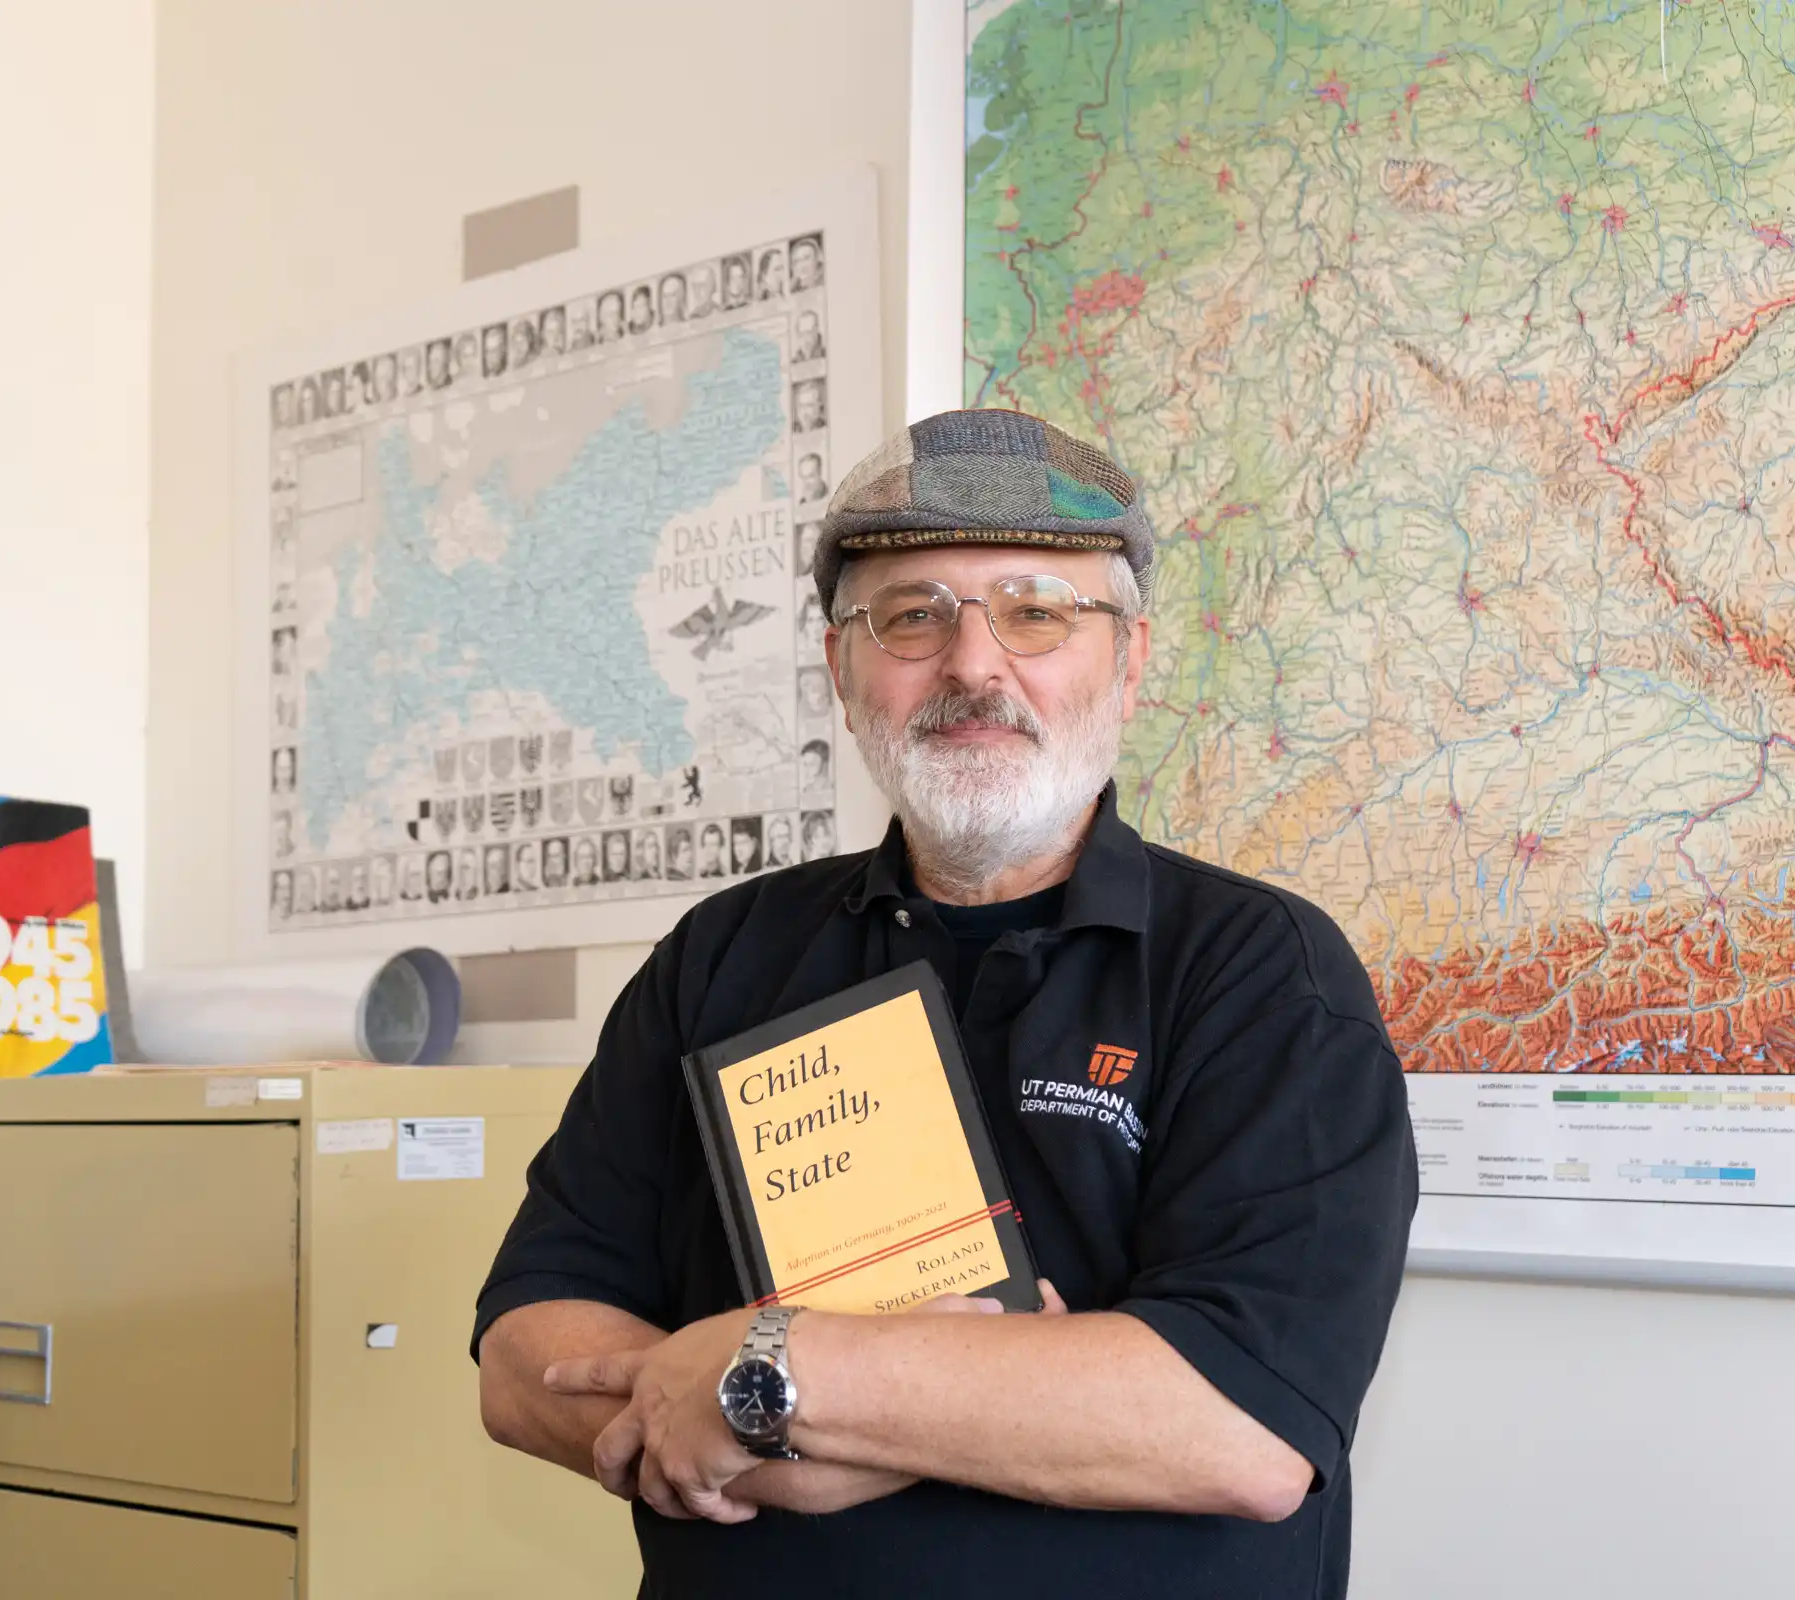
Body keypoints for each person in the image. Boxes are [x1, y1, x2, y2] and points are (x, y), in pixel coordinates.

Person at [475, 408, 1416, 1599]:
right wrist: (852, 1424)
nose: (973, 664)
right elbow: (523, 1356)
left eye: (1036, 610)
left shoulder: (1263, 971)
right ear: (839, 665)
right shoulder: (719, 956)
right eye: (911, 615)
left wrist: (775, 1385)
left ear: (1127, 663)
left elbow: (1238, 1424)